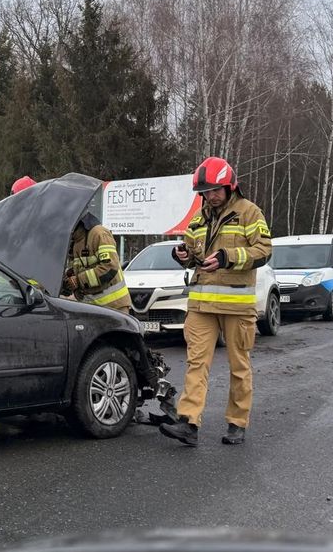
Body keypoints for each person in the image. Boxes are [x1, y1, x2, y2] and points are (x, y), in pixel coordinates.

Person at [159, 157, 271, 447]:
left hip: (237, 306)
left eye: (215, 190)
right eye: (206, 192)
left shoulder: (249, 212)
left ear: (230, 186)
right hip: (201, 305)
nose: (211, 196)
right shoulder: (198, 218)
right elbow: (192, 254)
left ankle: (237, 422)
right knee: (196, 364)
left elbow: (264, 251)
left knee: (239, 366)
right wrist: (183, 256)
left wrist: (227, 257)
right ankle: (188, 423)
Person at [61, 212, 132, 313]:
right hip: (92, 309)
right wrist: (68, 281)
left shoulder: (99, 234)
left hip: (114, 307)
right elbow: (77, 270)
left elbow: (110, 267)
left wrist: (78, 280)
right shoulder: (76, 243)